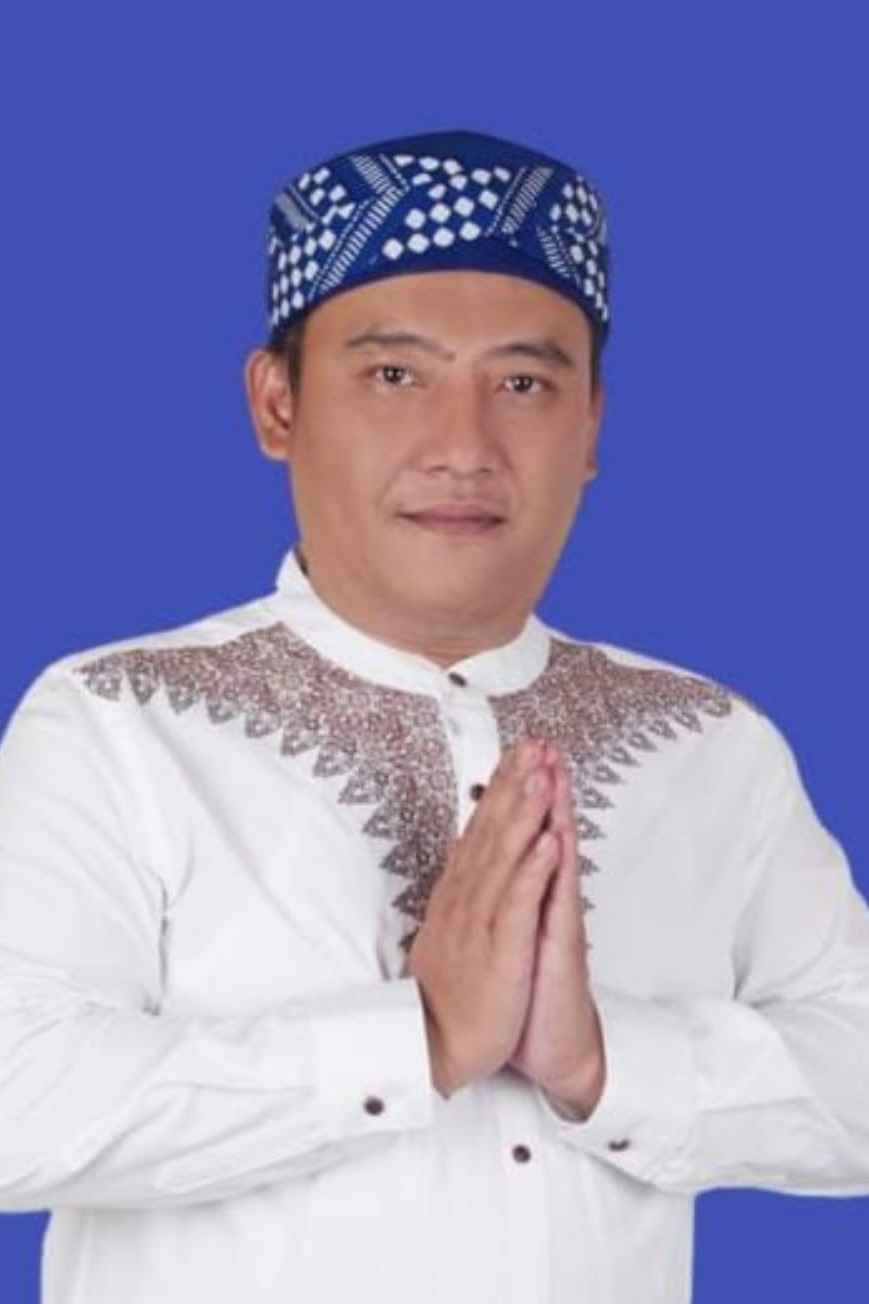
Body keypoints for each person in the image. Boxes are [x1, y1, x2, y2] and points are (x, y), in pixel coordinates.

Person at [0, 127, 867, 1304]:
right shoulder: (118, 723)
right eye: (394, 376)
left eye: (522, 383)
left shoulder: (710, 744)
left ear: (591, 425)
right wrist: (414, 1039)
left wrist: (608, 1061)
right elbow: (19, 1101)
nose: (463, 446)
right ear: (276, 403)